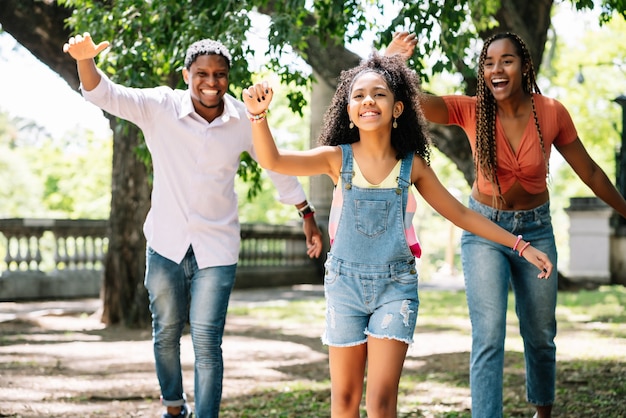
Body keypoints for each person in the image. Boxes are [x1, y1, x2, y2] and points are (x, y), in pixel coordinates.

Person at [242, 53, 552, 418]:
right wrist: (257, 117)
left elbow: (462, 213)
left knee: (381, 401)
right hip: (344, 288)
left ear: (398, 108)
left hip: (396, 290)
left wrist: (520, 244)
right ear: (348, 109)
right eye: (358, 96)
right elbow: (273, 160)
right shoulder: (334, 159)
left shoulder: (412, 166)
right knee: (343, 400)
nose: (368, 101)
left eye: (379, 94)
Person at [63, 33, 323, 418]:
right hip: (165, 244)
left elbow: (275, 163)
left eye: (220, 75)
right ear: (187, 75)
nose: (211, 82)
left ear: (228, 78)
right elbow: (106, 94)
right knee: (166, 332)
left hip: (216, 248)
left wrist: (306, 213)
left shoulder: (242, 118)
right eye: (202, 73)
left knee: (206, 341)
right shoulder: (160, 106)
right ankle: (173, 407)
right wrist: (86, 61)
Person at [386, 32, 626, 418]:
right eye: (489, 63)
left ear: (525, 66)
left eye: (507, 60)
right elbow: (414, 103)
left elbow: (592, 172)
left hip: (536, 228)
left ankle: (542, 412)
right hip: (484, 230)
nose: (496, 69)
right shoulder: (472, 109)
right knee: (488, 336)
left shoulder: (551, 112)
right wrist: (393, 63)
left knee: (541, 335)